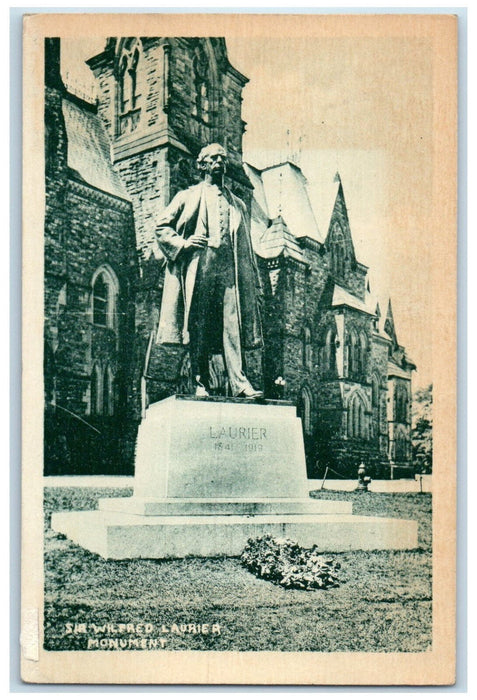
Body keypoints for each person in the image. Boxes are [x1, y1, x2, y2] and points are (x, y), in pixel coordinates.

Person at [155, 143, 263, 398]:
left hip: (229, 272)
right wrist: (183, 244)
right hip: (199, 268)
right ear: (202, 164)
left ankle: (239, 383)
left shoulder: (239, 205)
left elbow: (246, 247)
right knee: (198, 326)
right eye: (213, 159)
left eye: (222, 159)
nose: (219, 163)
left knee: (233, 326)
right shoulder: (187, 196)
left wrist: (254, 281)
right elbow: (161, 227)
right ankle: (200, 381)